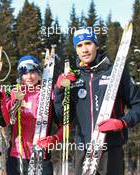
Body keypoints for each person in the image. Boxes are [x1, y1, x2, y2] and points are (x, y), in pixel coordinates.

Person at [53, 27, 140, 175]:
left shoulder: (116, 72)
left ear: (97, 45)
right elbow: (63, 117)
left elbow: (137, 104)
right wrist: (59, 90)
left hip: (110, 149)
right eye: (79, 45)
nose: (84, 49)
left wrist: (122, 122)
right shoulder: (74, 78)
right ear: (76, 49)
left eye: (88, 43)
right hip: (82, 150)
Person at [3, 55, 63, 175]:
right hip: (17, 156)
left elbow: (64, 123)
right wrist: (8, 101)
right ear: (20, 76)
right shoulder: (14, 92)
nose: (29, 77)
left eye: (33, 72)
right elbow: (4, 121)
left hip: (41, 154)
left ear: (39, 74)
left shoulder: (48, 95)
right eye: (24, 73)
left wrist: (56, 138)